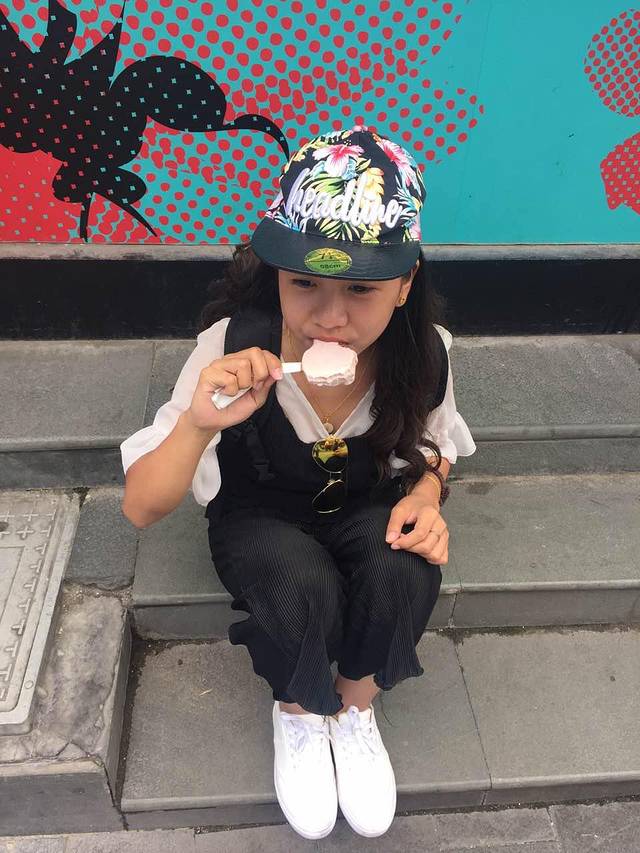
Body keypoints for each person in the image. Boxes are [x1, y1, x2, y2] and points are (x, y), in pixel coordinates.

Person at [120, 125, 476, 840]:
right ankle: (300, 709)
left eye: (361, 289)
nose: (330, 318)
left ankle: (353, 704)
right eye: (304, 282)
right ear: (278, 273)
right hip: (260, 517)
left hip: (365, 505)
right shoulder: (230, 348)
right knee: (296, 578)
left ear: (405, 284)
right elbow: (140, 507)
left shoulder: (424, 354)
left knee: (405, 566)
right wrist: (197, 423)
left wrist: (425, 496)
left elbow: (436, 445)